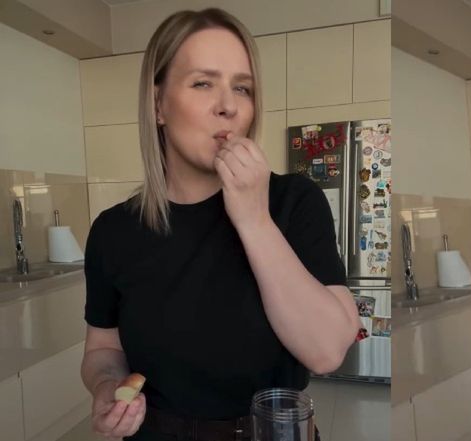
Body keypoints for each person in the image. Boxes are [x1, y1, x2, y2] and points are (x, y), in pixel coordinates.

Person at [80, 8, 361, 441]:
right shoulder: (113, 232)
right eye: (203, 83)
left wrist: (254, 218)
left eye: (242, 88)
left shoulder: (294, 202)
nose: (228, 106)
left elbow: (326, 352)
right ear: (158, 105)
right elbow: (103, 348)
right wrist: (106, 387)